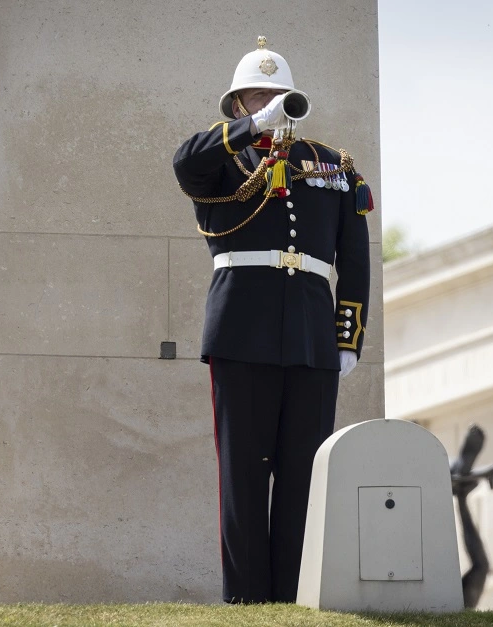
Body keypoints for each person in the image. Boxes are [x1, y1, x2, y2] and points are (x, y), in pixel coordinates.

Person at [172, 36, 372, 603]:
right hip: (242, 329)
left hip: (310, 335)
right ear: (236, 104)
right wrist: (253, 127)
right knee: (243, 469)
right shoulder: (221, 160)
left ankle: (293, 596)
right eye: (257, 95)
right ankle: (247, 599)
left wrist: (347, 336)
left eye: (279, 94)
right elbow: (183, 162)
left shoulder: (333, 166)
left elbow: (353, 260)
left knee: (303, 471)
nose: (271, 102)